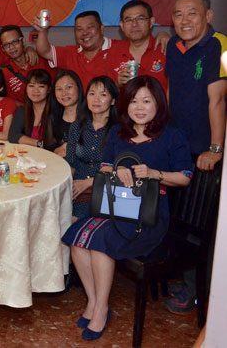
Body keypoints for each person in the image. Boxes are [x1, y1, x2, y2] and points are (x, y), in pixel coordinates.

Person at [61, 76, 191, 341]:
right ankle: (96, 301)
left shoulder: (171, 136)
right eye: (133, 101)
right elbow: (106, 167)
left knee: (99, 242)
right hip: (117, 206)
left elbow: (185, 176)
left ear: (159, 104)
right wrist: (118, 168)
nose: (139, 107)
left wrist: (155, 173)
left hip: (150, 216)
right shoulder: (120, 134)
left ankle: (99, 310)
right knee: (77, 238)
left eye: (146, 101)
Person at [164, 0, 227, 315]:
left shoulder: (224, 46)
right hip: (177, 146)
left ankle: (196, 290)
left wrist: (216, 149)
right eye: (178, 14)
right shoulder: (172, 47)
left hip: (206, 151)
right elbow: (172, 91)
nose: (184, 20)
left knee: (198, 223)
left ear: (208, 16)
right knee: (175, 215)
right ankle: (179, 278)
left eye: (192, 13)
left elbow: (218, 100)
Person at [64, 76, 119, 219]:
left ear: (112, 100)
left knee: (73, 224)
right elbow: (71, 163)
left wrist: (88, 183)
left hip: (104, 191)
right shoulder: (77, 126)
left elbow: (121, 171)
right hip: (75, 189)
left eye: (103, 95)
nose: (96, 99)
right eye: (92, 93)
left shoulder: (119, 131)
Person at [33, 11, 117, 90]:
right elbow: (44, 51)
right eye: (79, 29)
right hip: (80, 105)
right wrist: (42, 31)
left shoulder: (120, 48)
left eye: (90, 27)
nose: (85, 33)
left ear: (101, 29)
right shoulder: (70, 53)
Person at [111, 0, 167, 91]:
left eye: (140, 18)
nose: (134, 24)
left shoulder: (165, 48)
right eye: (128, 20)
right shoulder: (114, 51)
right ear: (122, 25)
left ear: (151, 22)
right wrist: (117, 84)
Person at [0, 25, 55, 105]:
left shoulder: (42, 59)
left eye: (15, 42)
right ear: (3, 49)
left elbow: (56, 84)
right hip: (25, 114)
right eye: (6, 45)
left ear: (23, 41)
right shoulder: (5, 74)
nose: (11, 47)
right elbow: (10, 100)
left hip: (50, 111)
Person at [44, 70, 84, 156]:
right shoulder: (53, 117)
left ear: (78, 88)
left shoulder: (91, 116)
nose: (64, 93)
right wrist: (57, 150)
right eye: (59, 89)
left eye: (69, 87)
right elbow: (47, 148)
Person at [8, 69, 51, 147]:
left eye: (41, 86)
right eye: (31, 86)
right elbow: (13, 136)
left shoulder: (55, 111)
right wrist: (39, 143)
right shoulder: (22, 111)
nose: (36, 90)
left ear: (48, 90)